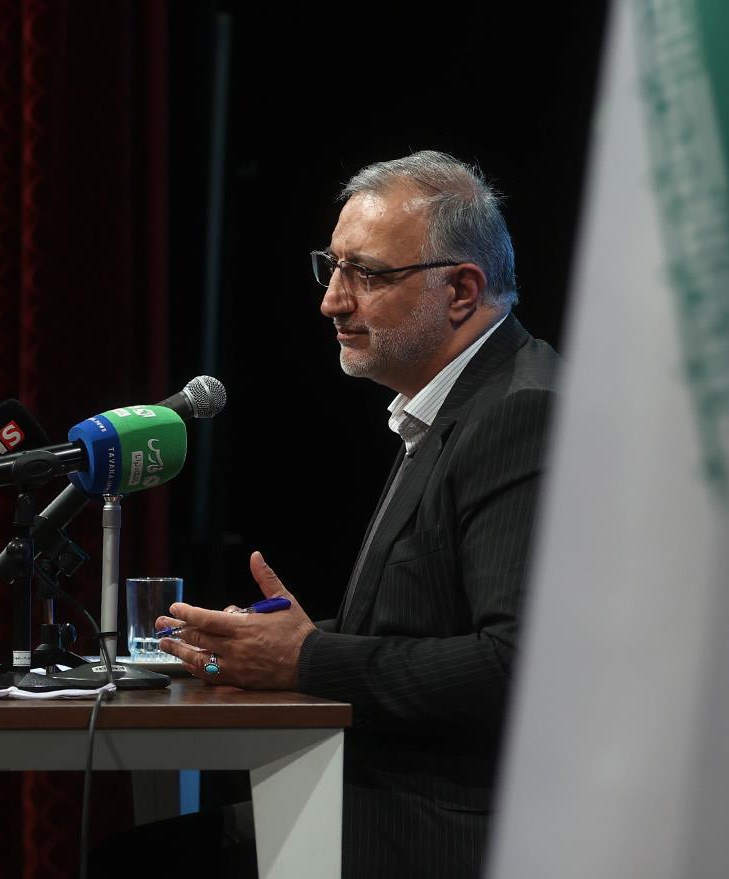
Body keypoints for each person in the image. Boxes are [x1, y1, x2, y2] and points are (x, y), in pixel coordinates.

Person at [157, 150, 561, 878]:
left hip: (440, 830)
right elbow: (423, 628)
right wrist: (258, 641)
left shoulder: (519, 412)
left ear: (461, 290)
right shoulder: (454, 406)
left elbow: (516, 664)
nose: (332, 301)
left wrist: (306, 657)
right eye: (332, 267)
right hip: (387, 792)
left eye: (367, 275)